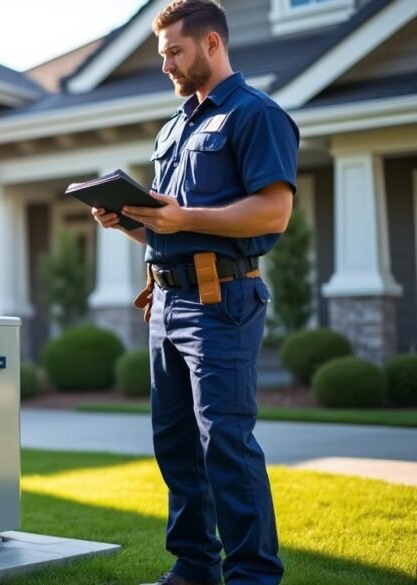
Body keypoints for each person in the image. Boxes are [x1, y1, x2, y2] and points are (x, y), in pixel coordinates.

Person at [91, 1, 298, 584]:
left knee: (225, 444)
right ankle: (194, 568)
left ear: (212, 44)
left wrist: (182, 221)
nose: (166, 66)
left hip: (220, 300)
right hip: (165, 301)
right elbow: (171, 223)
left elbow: (274, 211)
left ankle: (253, 575)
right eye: (162, 56)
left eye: (175, 53)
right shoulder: (175, 126)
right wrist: (130, 221)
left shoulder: (256, 115)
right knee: (177, 444)